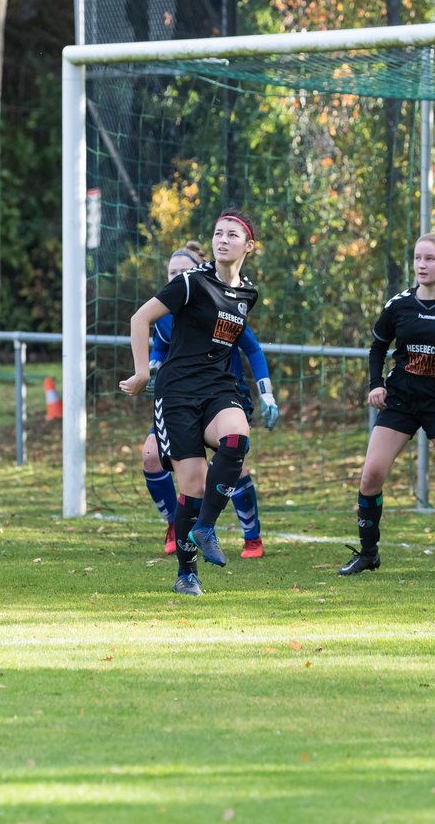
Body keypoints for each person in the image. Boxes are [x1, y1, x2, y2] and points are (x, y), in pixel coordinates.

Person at [339, 231, 435, 578]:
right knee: (371, 475)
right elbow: (377, 348)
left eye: (430, 259)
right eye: (417, 258)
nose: (421, 265)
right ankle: (368, 554)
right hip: (402, 399)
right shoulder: (399, 305)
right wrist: (376, 385)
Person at [120, 208, 260, 596]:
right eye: (218, 233)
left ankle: (206, 527)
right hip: (177, 391)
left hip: (218, 386)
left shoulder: (247, 293)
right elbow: (139, 319)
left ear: (249, 245)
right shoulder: (190, 282)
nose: (222, 239)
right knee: (193, 488)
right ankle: (187, 574)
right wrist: (142, 372)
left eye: (232, 234)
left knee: (237, 437)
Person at [142, 241, 279, 560]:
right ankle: (180, 530)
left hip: (220, 396)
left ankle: (251, 537)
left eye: (182, 272)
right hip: (178, 396)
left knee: (235, 456)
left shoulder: (219, 301)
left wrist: (265, 391)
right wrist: (148, 368)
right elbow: (160, 346)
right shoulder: (164, 313)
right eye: (170, 273)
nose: (175, 277)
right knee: (152, 455)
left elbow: (253, 348)